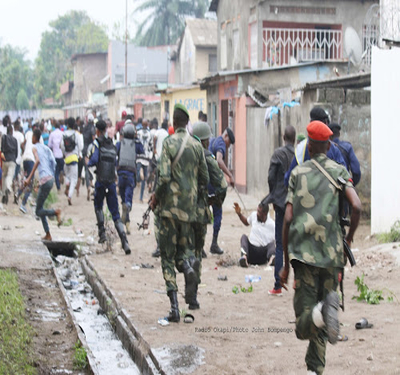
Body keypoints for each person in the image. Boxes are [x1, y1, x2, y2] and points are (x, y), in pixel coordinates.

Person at [280, 120, 361, 375]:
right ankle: (315, 370)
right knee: (324, 319)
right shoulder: (339, 171)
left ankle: (319, 314)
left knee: (303, 326)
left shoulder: (297, 173)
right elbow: (357, 206)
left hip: (304, 258)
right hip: (332, 257)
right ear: (328, 145)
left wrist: (284, 264)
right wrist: (348, 240)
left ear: (309, 146)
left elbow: (288, 218)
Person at [150, 104, 209, 322]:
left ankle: (175, 309)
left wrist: (156, 196)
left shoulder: (168, 144)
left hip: (168, 211)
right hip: (189, 212)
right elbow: (205, 179)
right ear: (187, 122)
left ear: (174, 122)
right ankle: (187, 266)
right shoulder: (196, 146)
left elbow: (163, 177)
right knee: (184, 251)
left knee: (167, 257)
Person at [191, 121, 227, 307]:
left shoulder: (182, 152)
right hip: (199, 210)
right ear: (205, 141)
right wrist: (215, 201)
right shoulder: (206, 156)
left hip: (180, 210)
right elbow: (222, 185)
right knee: (197, 252)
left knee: (183, 250)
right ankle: (193, 296)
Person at [87, 120, 131, 255]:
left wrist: (88, 163)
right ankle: (124, 241)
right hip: (111, 183)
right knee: (115, 214)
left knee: (98, 206)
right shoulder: (112, 145)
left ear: (97, 131)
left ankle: (102, 234)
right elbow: (115, 163)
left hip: (100, 182)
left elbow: (93, 161)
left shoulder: (96, 144)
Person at [263, 125, 296, 296]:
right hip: (296, 203)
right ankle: (298, 282)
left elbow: (270, 177)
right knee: (297, 241)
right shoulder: (299, 155)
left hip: (282, 204)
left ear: (283, 137)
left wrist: (273, 196)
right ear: (295, 138)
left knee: (280, 243)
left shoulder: (277, 154)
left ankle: (277, 285)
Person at [284, 107, 347, 187]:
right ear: (326, 124)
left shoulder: (302, 148)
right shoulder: (333, 149)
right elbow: (345, 177)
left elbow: (288, 180)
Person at [24, 129, 62, 241]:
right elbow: (53, 163)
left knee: (38, 211)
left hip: (45, 180)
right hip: (49, 179)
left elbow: (37, 161)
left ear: (35, 137)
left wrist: (29, 178)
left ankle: (55, 212)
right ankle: (48, 234)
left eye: (32, 137)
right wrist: (40, 182)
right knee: (40, 208)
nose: (31, 139)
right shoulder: (46, 148)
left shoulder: (34, 148)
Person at [208, 127, 235, 255]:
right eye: (229, 144)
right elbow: (219, 160)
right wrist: (230, 175)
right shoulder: (221, 144)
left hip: (204, 183)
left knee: (202, 213)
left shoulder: (212, 140)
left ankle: (200, 247)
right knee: (217, 213)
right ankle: (214, 243)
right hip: (214, 186)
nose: (227, 147)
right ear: (226, 137)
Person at [116, 120, 144, 235]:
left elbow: (115, 154)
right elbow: (142, 151)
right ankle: (127, 206)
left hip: (120, 174)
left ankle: (127, 225)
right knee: (128, 198)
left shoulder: (119, 144)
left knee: (123, 198)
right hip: (130, 174)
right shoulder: (136, 144)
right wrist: (136, 138)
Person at [234, 202, 275, 267]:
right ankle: (244, 258)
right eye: (257, 211)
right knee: (244, 237)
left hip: (263, 254)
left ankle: (272, 259)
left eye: (259, 212)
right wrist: (239, 214)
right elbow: (246, 222)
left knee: (272, 243)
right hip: (251, 252)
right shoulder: (254, 215)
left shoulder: (272, 225)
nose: (257, 214)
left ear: (265, 214)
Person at [61, 117, 82, 205]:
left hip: (66, 158)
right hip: (74, 158)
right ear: (74, 125)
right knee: (74, 179)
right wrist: (77, 153)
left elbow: (61, 146)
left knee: (68, 176)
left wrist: (64, 154)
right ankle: (70, 196)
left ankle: (67, 184)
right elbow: (80, 146)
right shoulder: (76, 134)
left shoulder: (64, 134)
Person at [136, 119, 153, 203]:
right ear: (147, 124)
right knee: (144, 179)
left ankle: (139, 174)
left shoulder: (138, 133)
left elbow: (136, 143)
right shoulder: (150, 134)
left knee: (138, 175)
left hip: (139, 156)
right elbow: (151, 147)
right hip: (146, 158)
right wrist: (150, 155)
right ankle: (141, 197)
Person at [1, 125, 18, 204]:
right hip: (12, 160)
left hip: (5, 160)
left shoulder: (3, 137)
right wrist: (14, 159)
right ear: (12, 131)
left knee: (4, 176)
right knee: (10, 176)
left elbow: (2, 149)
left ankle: (4, 195)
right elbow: (17, 152)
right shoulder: (15, 140)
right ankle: (8, 187)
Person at [82, 114, 96, 201]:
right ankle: (92, 183)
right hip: (91, 149)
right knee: (93, 168)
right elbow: (94, 138)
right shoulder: (93, 128)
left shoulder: (84, 128)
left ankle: (88, 185)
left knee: (86, 168)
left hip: (84, 149)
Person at [48, 121, 64, 192]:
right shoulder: (62, 134)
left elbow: (49, 145)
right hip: (61, 155)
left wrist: (54, 147)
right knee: (61, 168)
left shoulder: (52, 134)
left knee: (56, 173)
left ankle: (58, 187)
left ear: (54, 126)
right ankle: (62, 172)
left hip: (55, 155)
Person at [12, 120, 25, 194]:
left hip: (11, 157)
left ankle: (13, 183)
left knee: (14, 172)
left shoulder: (11, 133)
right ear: (18, 126)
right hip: (18, 157)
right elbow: (22, 145)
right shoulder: (20, 135)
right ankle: (15, 185)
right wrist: (23, 152)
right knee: (16, 172)